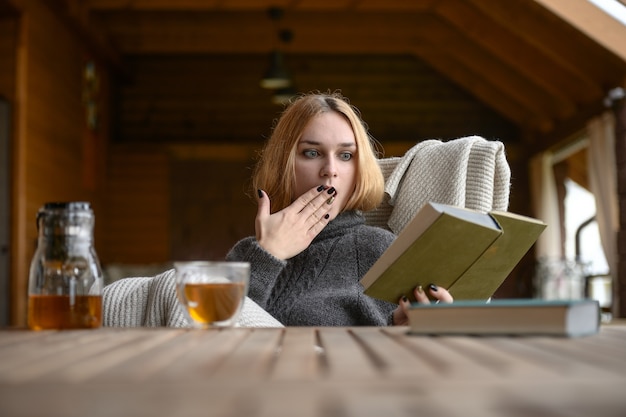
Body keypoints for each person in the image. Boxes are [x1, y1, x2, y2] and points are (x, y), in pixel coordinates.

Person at [225, 91, 452, 326]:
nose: (330, 169)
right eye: (312, 153)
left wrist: (401, 330)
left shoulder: (380, 250)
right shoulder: (246, 255)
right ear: (283, 165)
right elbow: (218, 340)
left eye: (345, 155)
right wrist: (267, 254)